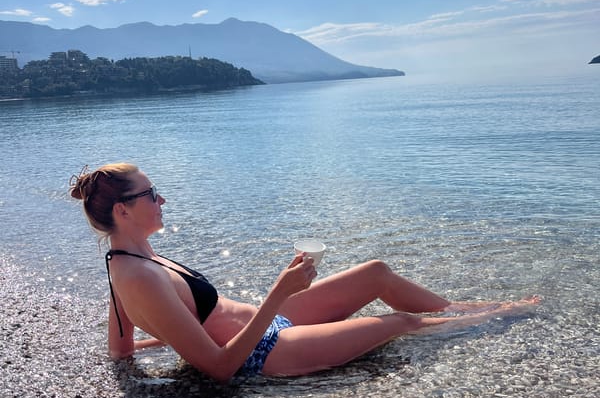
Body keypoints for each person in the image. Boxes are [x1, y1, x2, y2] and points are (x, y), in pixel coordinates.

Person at [70, 162, 540, 383]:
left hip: (266, 324)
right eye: (152, 193)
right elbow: (218, 368)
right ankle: (495, 317)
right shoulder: (139, 275)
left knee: (376, 272)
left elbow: (120, 348)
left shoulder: (129, 260)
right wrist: (278, 293)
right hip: (264, 352)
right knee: (399, 323)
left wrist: (172, 336)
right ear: (123, 210)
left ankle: (463, 307)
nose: (162, 200)